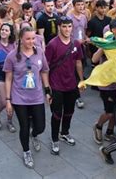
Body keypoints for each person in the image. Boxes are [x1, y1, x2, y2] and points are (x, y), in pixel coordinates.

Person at [4, 26, 49, 168]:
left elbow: (44, 71)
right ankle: (26, 151)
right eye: (28, 39)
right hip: (19, 98)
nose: (31, 41)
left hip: (36, 96)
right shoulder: (12, 56)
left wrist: (47, 90)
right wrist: (8, 101)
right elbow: (8, 78)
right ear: (21, 39)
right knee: (24, 126)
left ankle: (34, 134)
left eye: (33, 38)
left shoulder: (40, 52)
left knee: (40, 126)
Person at [45, 16, 84, 155]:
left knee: (69, 112)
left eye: (69, 26)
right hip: (56, 86)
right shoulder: (52, 45)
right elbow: (46, 67)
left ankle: (65, 133)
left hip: (71, 84)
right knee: (56, 114)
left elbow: (78, 62)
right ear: (59, 27)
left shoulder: (76, 44)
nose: (67, 29)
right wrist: (47, 89)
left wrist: (81, 80)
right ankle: (55, 139)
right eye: (64, 26)